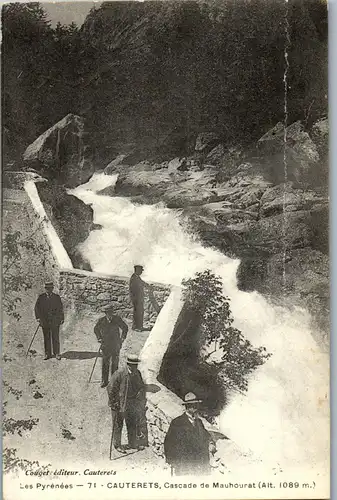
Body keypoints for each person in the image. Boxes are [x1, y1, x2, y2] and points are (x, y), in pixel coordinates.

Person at [163, 392, 216, 476]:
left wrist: (211, 443)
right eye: (193, 405)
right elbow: (168, 442)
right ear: (187, 407)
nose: (195, 407)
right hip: (183, 464)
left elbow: (206, 435)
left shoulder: (199, 422)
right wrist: (172, 462)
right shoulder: (177, 422)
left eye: (196, 405)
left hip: (198, 464)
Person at [107, 354, 148, 454]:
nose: (135, 367)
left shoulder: (137, 373)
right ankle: (117, 445)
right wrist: (113, 403)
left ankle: (132, 443)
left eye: (136, 365)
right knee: (118, 424)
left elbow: (141, 386)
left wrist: (140, 392)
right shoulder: (119, 373)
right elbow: (110, 388)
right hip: (119, 404)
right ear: (128, 364)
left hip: (131, 403)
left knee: (132, 424)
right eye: (133, 365)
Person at [94, 305, 128, 388]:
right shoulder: (101, 320)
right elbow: (96, 329)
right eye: (107, 313)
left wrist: (122, 338)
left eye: (110, 313)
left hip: (116, 344)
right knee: (105, 363)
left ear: (112, 313)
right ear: (105, 313)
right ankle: (104, 381)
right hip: (105, 345)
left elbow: (125, 327)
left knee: (115, 363)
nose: (109, 315)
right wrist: (99, 338)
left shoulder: (117, 319)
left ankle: (114, 381)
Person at [34, 281, 64, 361]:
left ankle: (57, 353)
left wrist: (61, 318)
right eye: (47, 288)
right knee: (46, 337)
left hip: (54, 320)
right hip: (45, 321)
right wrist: (38, 318)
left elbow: (60, 309)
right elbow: (37, 308)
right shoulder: (41, 297)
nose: (48, 290)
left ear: (52, 288)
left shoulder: (56, 297)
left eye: (50, 288)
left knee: (55, 337)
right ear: (45, 289)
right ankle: (48, 354)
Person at [129, 265, 152, 331]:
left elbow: (142, 283)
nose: (141, 272)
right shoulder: (134, 278)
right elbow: (133, 290)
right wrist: (135, 299)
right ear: (137, 270)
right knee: (137, 313)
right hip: (136, 299)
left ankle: (138, 326)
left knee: (139, 312)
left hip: (138, 299)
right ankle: (136, 327)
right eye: (140, 271)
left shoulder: (137, 277)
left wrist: (148, 286)